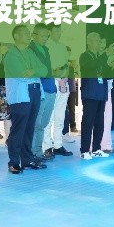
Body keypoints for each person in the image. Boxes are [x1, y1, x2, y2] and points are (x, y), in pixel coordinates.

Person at [4, 25, 48, 173]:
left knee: (29, 128)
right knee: (19, 129)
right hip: (21, 94)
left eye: (29, 33)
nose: (28, 35)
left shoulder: (30, 52)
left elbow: (44, 70)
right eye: (25, 33)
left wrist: (33, 70)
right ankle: (13, 162)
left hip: (35, 91)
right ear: (16, 36)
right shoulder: (11, 54)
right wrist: (34, 71)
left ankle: (27, 160)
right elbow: (21, 73)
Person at [78, 32, 114, 160]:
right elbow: (91, 66)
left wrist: (110, 66)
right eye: (96, 41)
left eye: (100, 41)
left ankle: (96, 149)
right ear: (89, 42)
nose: (99, 43)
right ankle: (84, 150)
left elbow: (107, 74)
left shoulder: (100, 56)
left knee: (99, 122)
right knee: (88, 122)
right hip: (90, 93)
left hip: (101, 93)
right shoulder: (85, 56)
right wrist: (105, 55)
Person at [28, 23, 57, 162]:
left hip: (51, 88)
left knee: (43, 123)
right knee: (36, 123)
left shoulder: (46, 49)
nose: (45, 38)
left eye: (47, 36)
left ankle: (38, 152)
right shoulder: (30, 50)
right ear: (34, 35)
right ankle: (32, 153)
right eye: (43, 35)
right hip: (39, 90)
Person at [44, 24, 73, 157]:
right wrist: (57, 73)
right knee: (49, 116)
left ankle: (58, 144)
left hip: (63, 82)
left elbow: (67, 65)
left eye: (59, 31)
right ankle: (46, 146)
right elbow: (49, 67)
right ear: (49, 32)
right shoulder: (46, 46)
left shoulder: (62, 46)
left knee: (60, 115)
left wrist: (64, 78)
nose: (58, 33)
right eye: (55, 31)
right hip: (52, 82)